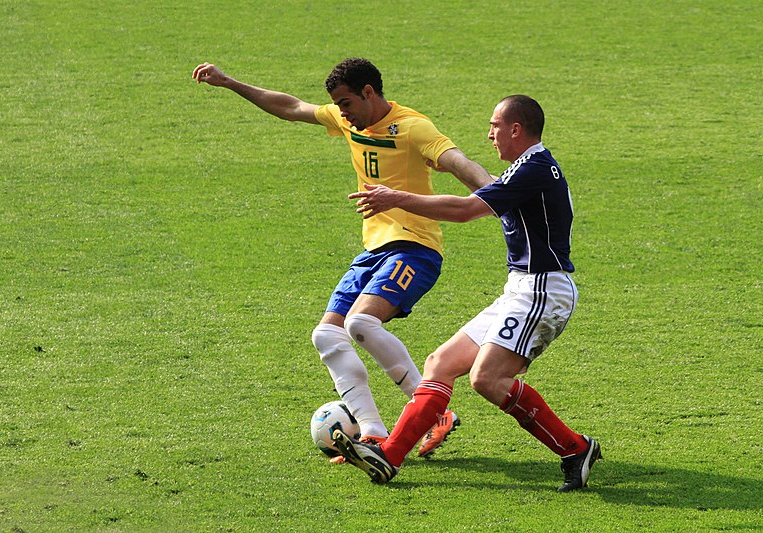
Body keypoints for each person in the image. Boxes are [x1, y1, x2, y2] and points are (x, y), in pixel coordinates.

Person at [192, 58, 494, 461]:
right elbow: (291, 108)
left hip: (415, 247)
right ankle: (372, 432)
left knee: (360, 323)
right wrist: (229, 83)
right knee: (327, 335)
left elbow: (459, 163)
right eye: (338, 105)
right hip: (374, 250)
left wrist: (502, 193)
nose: (342, 112)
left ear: (369, 92)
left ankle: (435, 412)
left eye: (347, 102)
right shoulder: (350, 119)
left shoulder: (412, 128)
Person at [333, 95, 602, 491]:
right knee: (440, 363)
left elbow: (463, 210)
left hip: (543, 288)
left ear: (516, 129)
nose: (489, 133)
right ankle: (389, 457)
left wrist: (395, 197)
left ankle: (575, 449)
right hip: (521, 287)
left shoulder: (535, 169)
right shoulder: (524, 170)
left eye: (495, 125)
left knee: (487, 379)